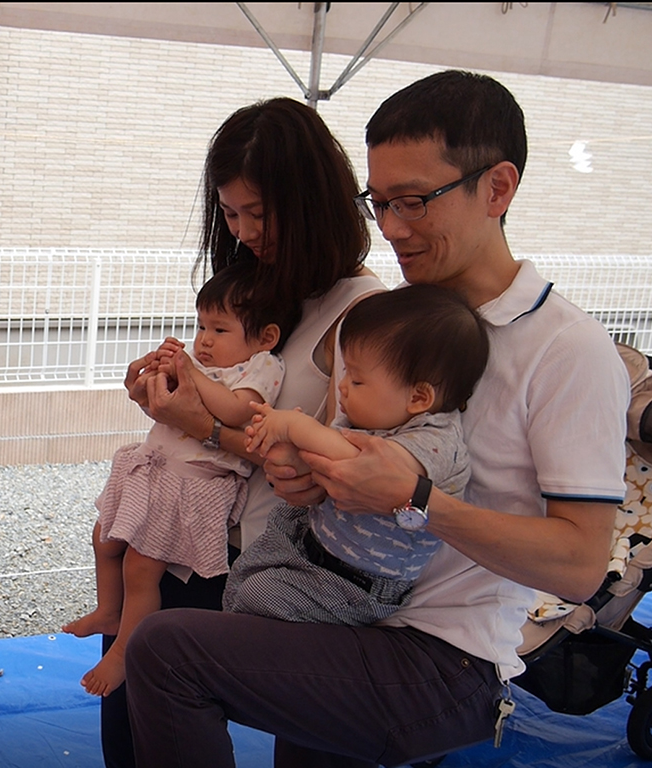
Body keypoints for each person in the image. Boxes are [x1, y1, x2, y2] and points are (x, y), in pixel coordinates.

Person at [123, 70, 630, 768]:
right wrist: (303, 472)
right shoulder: (388, 321)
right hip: (343, 610)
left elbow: (578, 568)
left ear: (499, 187)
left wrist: (420, 501)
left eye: (416, 202)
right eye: (380, 202)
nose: (392, 228)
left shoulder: (567, 348)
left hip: (442, 659)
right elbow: (337, 460)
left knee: (164, 650)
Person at [100, 97, 386, 766]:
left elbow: (319, 467)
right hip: (207, 530)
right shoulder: (267, 287)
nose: (247, 230)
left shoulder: (363, 311)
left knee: (166, 686)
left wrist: (193, 424)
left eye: (260, 212)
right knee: (130, 691)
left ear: (316, 198)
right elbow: (220, 392)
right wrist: (164, 390)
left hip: (282, 565)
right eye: (231, 213)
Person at [63, 262, 288, 696]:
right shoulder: (211, 368)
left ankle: (126, 649)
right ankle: (110, 611)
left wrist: (193, 374)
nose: (204, 340)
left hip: (194, 484)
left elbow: (237, 412)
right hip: (156, 471)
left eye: (219, 330)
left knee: (142, 567)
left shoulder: (260, 368)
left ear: (266, 337)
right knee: (104, 537)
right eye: (201, 326)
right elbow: (172, 408)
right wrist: (151, 377)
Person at [225, 284, 487, 626]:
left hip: (356, 585)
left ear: (419, 397)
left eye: (358, 380)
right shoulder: (368, 418)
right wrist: (289, 453)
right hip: (310, 543)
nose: (343, 387)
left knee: (257, 596)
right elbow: (325, 450)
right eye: (345, 373)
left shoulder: (436, 440)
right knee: (240, 584)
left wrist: (294, 426)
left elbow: (361, 465)